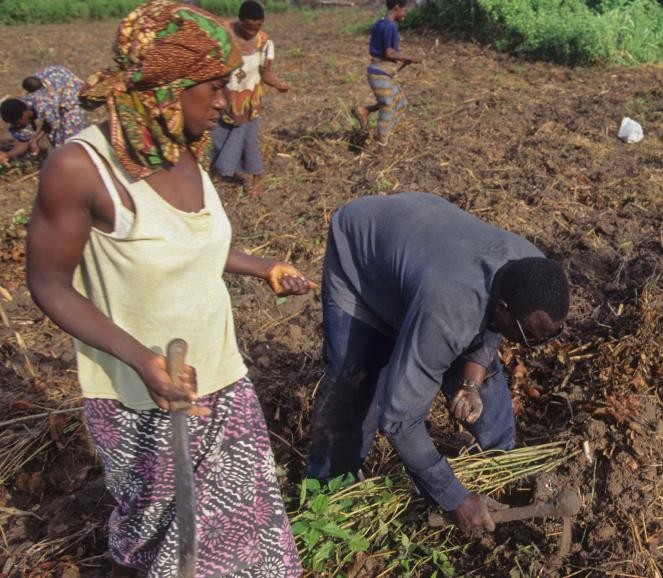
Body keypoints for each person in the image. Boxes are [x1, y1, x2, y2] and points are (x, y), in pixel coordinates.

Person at [25, 2, 313, 575]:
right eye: (213, 86)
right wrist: (142, 360)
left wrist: (261, 267)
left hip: (221, 380)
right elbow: (49, 285)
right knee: (167, 543)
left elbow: (185, 245)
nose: (227, 103)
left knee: (250, 543)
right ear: (166, 87)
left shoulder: (179, 145)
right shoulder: (81, 168)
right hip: (141, 398)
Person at [307, 192, 570, 534]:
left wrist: (471, 382)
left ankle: (501, 471)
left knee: (483, 380)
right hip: (362, 261)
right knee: (356, 382)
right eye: (531, 336)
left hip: (429, 259)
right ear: (503, 309)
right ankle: (328, 498)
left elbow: (491, 330)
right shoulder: (448, 312)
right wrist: (453, 497)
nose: (537, 346)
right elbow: (400, 419)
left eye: (547, 337)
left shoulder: (532, 271)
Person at [210, 0, 289, 196]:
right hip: (224, 98)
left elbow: (266, 72)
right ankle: (216, 173)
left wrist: (278, 84)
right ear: (239, 21)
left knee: (250, 141)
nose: (252, 32)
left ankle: (257, 180)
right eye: (247, 28)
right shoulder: (224, 36)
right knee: (217, 137)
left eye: (257, 28)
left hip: (248, 101)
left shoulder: (264, 43)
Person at [350, 0, 421, 156]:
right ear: (396, 8)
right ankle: (382, 147)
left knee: (401, 101)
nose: (405, 13)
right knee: (388, 107)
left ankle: (365, 110)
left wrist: (403, 58)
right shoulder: (390, 26)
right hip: (379, 74)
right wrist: (411, 57)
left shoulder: (380, 23)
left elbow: (385, 52)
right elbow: (389, 53)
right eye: (404, 9)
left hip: (381, 71)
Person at [0, 65, 89, 164]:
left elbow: (52, 124)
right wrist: (6, 155)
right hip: (51, 86)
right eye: (15, 124)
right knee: (58, 144)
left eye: (17, 123)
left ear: (24, 113)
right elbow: (23, 140)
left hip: (67, 88)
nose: (17, 125)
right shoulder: (19, 112)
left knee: (69, 140)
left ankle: (81, 163)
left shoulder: (42, 104)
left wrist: (35, 139)